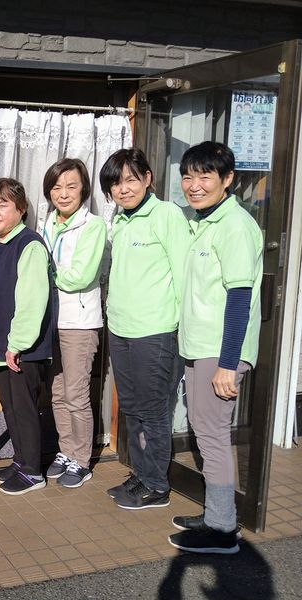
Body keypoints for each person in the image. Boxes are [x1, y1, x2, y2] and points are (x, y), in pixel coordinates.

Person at [169, 142, 262, 554]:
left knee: (212, 435)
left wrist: (228, 363)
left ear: (228, 180)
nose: (194, 185)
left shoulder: (235, 226)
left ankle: (222, 529)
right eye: (188, 176)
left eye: (205, 176)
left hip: (219, 351)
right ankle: (214, 515)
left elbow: (240, 298)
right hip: (199, 346)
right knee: (205, 430)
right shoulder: (202, 222)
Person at [101, 147, 190, 510]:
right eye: (115, 184)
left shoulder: (167, 215)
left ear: (148, 179)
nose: (123, 189)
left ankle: (156, 486)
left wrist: (184, 331)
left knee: (153, 411)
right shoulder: (121, 220)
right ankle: (141, 474)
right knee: (132, 408)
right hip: (121, 329)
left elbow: (184, 275)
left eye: (131, 180)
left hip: (155, 331)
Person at [0, 178, 56, 495]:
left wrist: (17, 344)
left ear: (22, 209)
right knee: (10, 407)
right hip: (2, 347)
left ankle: (33, 471)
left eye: (3, 204)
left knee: (24, 409)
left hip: (23, 349)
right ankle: (21, 459)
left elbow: (31, 300)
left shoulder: (29, 244)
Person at [41, 159, 107, 488]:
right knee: (56, 393)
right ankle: (66, 451)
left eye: (71, 186)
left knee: (76, 395)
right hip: (50, 320)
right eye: (56, 187)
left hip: (78, 323)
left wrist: (45, 272)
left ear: (84, 189)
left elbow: (80, 276)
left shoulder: (93, 226)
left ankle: (82, 460)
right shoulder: (47, 223)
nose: (63, 194)